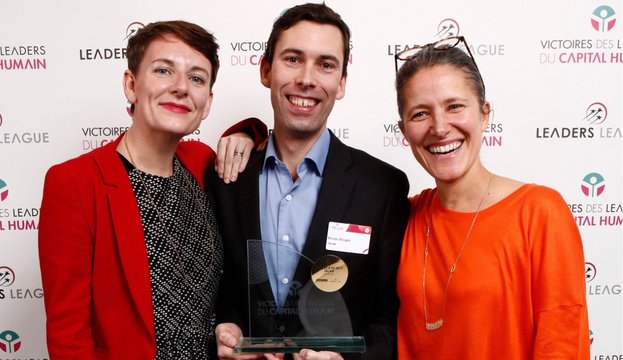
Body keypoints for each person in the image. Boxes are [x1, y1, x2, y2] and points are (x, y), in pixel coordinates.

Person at [38, 20, 267, 359]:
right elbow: (68, 335)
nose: (180, 87)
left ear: (207, 103)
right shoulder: (75, 183)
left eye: (196, 78)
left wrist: (248, 133)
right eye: (163, 70)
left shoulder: (202, 163)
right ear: (131, 85)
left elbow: (273, 147)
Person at [205, 3, 410, 360]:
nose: (307, 79)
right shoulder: (226, 176)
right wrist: (223, 327)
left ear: (342, 82)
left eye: (326, 65)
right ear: (266, 70)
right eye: (293, 59)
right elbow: (213, 293)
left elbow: (389, 319)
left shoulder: (382, 187)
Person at [394, 36, 590, 359]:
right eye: (420, 114)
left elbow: (563, 344)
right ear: (404, 132)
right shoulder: (403, 217)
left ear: (484, 114)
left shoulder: (539, 213)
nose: (440, 127)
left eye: (454, 106)